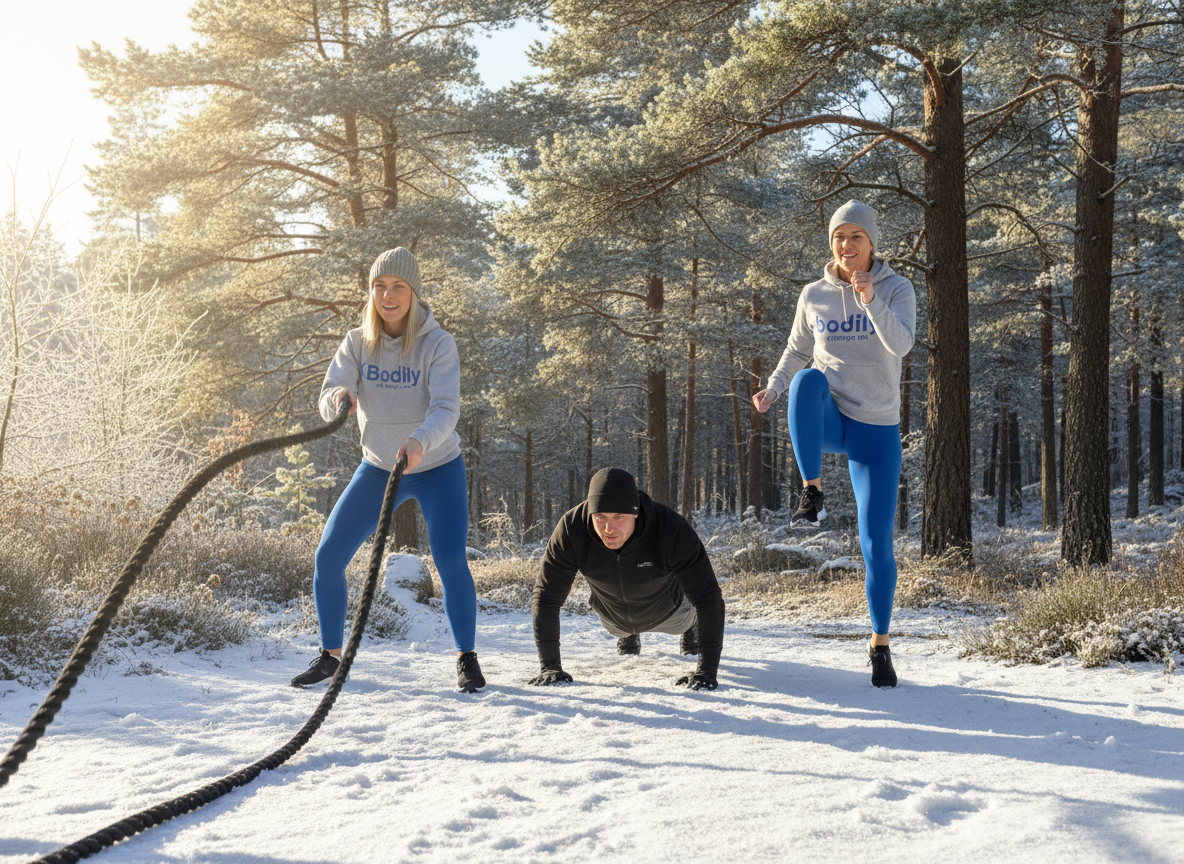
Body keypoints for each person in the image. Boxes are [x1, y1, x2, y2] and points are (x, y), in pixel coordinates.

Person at [291, 247, 485, 693]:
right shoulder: (357, 342)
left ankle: (467, 657)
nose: (387, 295)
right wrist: (339, 400)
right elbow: (329, 391)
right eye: (379, 286)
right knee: (328, 556)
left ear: (413, 292)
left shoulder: (438, 343)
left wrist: (420, 441)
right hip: (378, 467)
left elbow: (445, 408)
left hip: (437, 467)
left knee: (450, 559)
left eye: (398, 286)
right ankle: (330, 657)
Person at [751, 200, 915, 688]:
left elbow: (902, 345)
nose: (847, 245)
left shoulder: (897, 288)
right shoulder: (814, 295)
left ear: (871, 243)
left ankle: (880, 644)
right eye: (839, 237)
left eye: (856, 237)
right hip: (832, 418)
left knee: (875, 544)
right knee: (804, 380)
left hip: (876, 428)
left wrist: (871, 302)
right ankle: (812, 490)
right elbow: (797, 349)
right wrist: (773, 388)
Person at [529, 467, 725, 691]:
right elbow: (546, 598)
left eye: (619, 517)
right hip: (614, 618)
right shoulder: (572, 530)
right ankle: (630, 633)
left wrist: (706, 672)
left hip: (671, 613)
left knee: (689, 611)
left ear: (636, 512)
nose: (608, 528)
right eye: (600, 516)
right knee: (620, 627)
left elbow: (708, 599)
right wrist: (550, 667)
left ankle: (692, 626)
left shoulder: (670, 529)